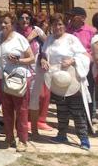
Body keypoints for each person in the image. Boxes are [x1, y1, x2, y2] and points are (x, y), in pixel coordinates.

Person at [42, 13, 92, 150]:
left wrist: (72, 60)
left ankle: (83, 138)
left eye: (60, 24)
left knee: (77, 111)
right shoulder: (49, 40)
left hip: (72, 79)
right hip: (57, 80)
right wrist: (43, 60)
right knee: (61, 109)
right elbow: (44, 53)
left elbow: (84, 55)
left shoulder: (71, 39)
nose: (57, 27)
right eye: (55, 24)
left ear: (65, 25)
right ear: (51, 26)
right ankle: (62, 134)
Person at [0, 12, 34, 152]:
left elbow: (31, 58)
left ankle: (23, 140)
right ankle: (9, 137)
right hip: (1, 79)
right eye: (1, 22)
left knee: (21, 110)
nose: (3, 25)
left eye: (6, 23)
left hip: (17, 79)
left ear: (12, 24)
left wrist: (19, 60)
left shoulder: (20, 39)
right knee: (6, 110)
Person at [16, 9, 51, 137]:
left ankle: (35, 129)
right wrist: (28, 38)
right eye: (22, 18)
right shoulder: (15, 32)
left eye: (27, 18)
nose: (24, 20)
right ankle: (20, 128)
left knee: (34, 100)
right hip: (20, 69)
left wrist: (43, 57)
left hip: (36, 69)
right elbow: (17, 48)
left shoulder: (37, 30)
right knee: (19, 99)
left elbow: (47, 44)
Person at [66, 7, 97, 122]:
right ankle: (73, 113)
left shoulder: (91, 31)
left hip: (87, 66)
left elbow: (93, 49)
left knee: (89, 89)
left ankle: (91, 114)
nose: (70, 18)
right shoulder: (66, 31)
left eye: (73, 16)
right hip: (71, 66)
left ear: (82, 18)